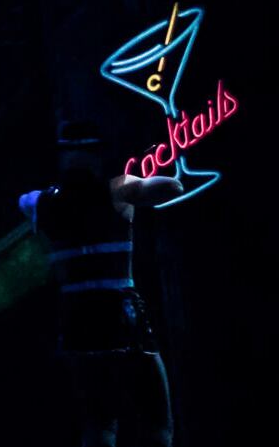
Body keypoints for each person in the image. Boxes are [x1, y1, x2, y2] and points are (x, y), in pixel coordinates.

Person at [18, 120, 182, 447]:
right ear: (95, 155)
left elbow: (24, 200)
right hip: (122, 319)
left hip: (78, 322)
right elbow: (173, 187)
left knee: (99, 424)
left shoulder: (41, 202)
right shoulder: (119, 189)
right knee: (157, 423)